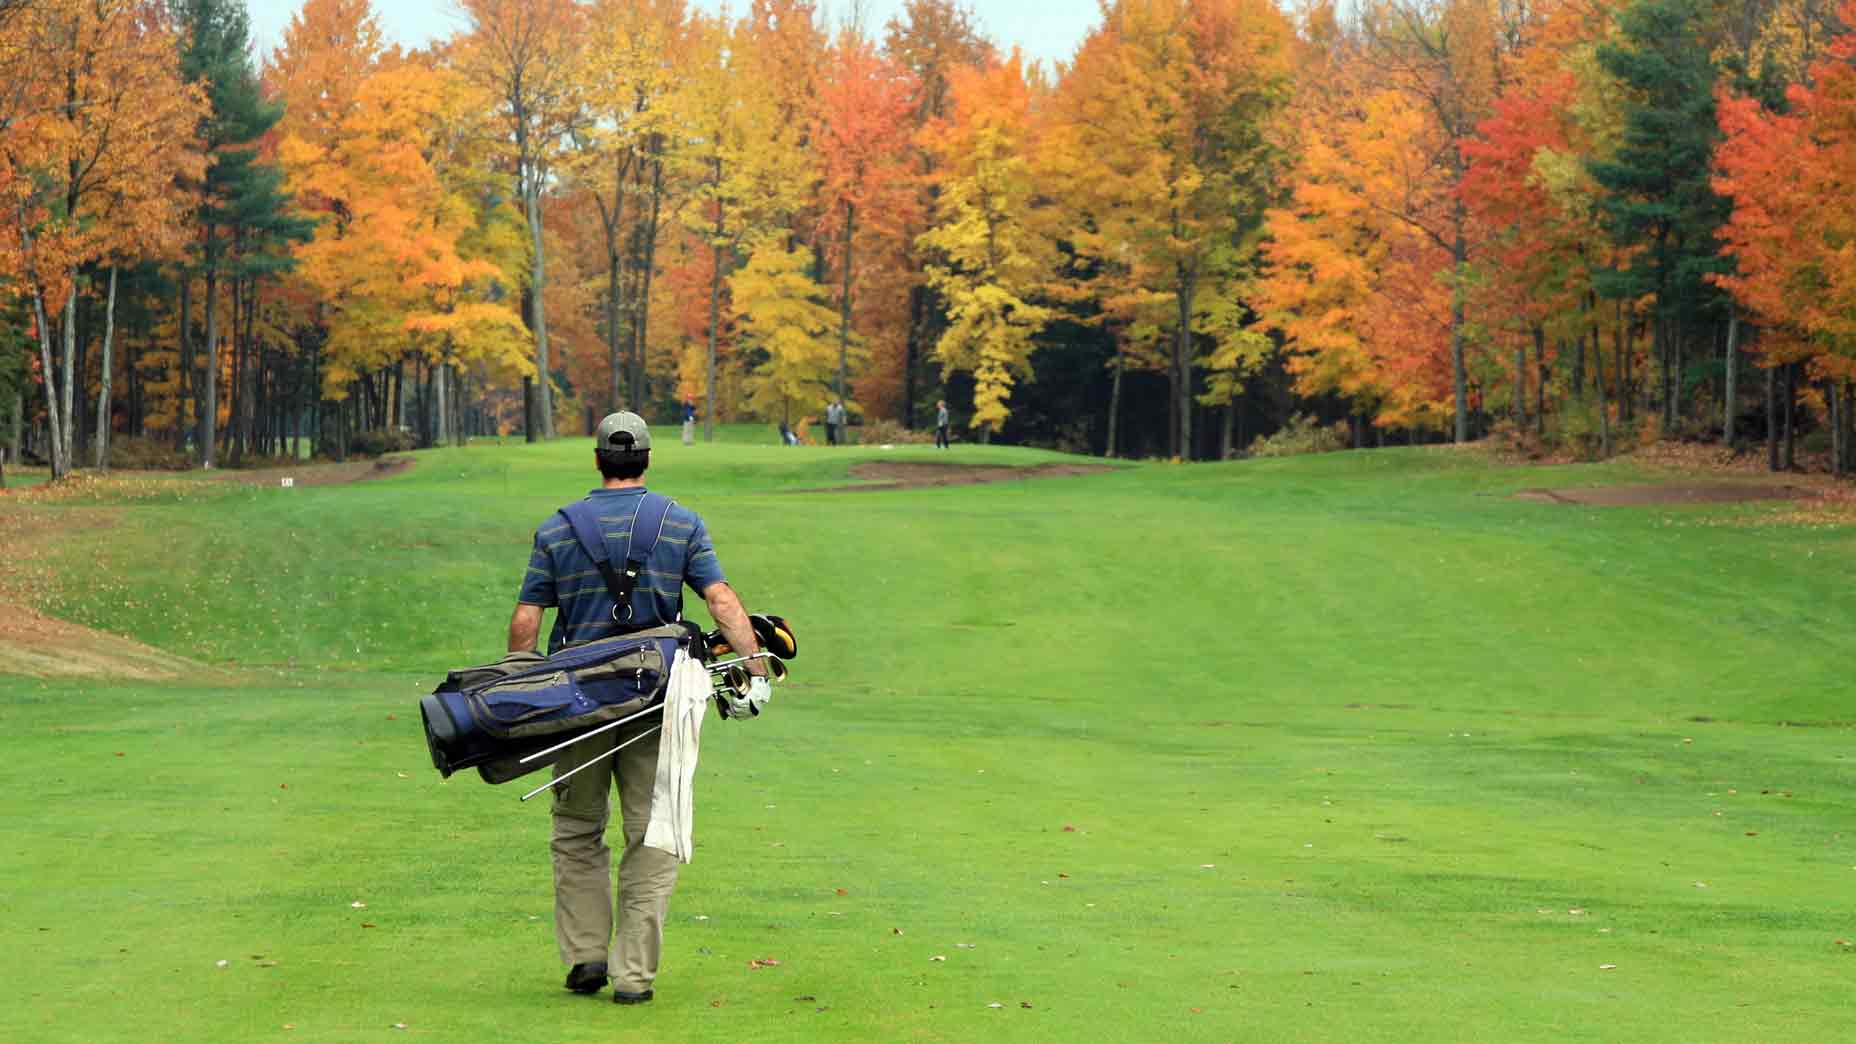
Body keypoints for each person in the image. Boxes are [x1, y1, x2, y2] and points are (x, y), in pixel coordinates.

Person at [508, 411, 770, 1007]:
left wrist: (520, 692)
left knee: (576, 831)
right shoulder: (680, 522)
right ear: (647, 459)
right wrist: (754, 670)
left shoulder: (557, 529)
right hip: (658, 706)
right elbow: (722, 600)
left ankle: (585, 957)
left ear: (598, 460)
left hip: (576, 703)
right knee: (653, 834)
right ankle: (633, 976)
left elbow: (527, 620)